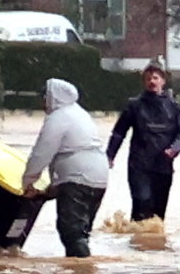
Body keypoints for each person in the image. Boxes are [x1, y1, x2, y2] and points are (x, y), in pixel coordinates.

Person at [19, 75, 112, 259]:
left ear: (52, 97)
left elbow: (42, 153)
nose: (42, 103)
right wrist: (49, 190)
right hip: (99, 179)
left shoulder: (58, 117)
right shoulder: (80, 114)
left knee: (71, 232)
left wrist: (28, 182)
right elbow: (72, 151)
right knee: (82, 232)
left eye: (44, 98)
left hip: (77, 178)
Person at [104, 65, 180, 236]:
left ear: (163, 81)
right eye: (148, 78)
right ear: (144, 82)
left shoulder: (173, 106)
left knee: (158, 213)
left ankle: (155, 251)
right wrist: (109, 155)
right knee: (142, 202)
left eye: (156, 78)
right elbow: (119, 132)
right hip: (139, 164)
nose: (152, 82)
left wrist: (174, 149)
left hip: (163, 165)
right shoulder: (134, 105)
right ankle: (138, 247)